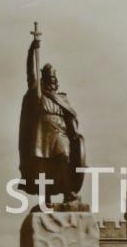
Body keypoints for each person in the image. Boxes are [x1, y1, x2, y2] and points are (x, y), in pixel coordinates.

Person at [18, 36, 86, 203]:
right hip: (42, 134)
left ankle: (67, 192)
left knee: (64, 158)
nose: (53, 82)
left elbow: (70, 117)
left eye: (55, 79)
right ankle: (46, 197)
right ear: (45, 80)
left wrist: (75, 134)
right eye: (50, 79)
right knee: (42, 167)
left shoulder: (62, 98)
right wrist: (32, 50)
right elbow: (30, 73)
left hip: (60, 134)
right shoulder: (37, 94)